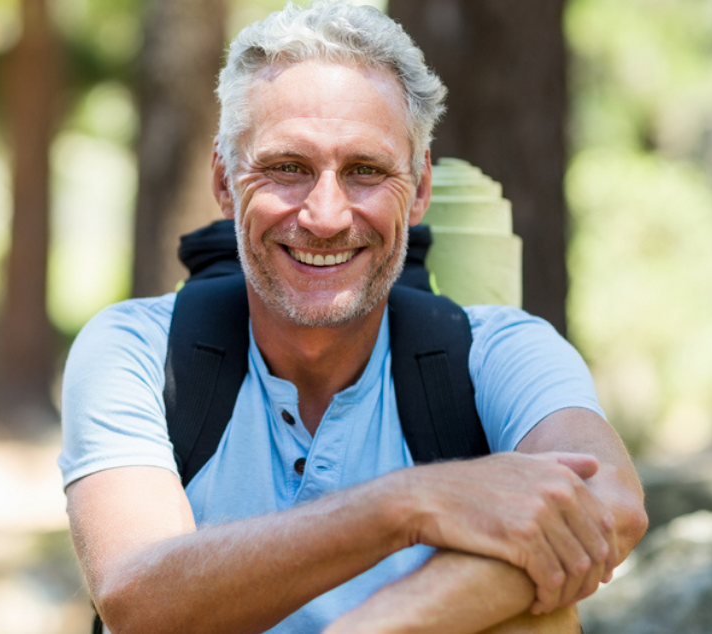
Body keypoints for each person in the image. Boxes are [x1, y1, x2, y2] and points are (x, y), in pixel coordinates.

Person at [58, 3, 647, 633]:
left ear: (419, 189)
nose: (326, 215)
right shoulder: (138, 351)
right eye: (288, 168)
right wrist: (408, 505)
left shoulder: (496, 352)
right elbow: (137, 599)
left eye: (366, 171)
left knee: (541, 618)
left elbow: (610, 504)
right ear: (224, 181)